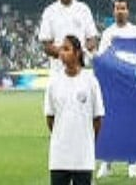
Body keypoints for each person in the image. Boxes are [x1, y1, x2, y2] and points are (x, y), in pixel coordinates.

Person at [44, 34, 105, 185]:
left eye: (66, 49)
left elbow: (97, 118)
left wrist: (87, 140)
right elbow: (50, 118)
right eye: (61, 49)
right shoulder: (54, 82)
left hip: (83, 157)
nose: (61, 53)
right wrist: (62, 136)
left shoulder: (90, 81)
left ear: (77, 53)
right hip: (59, 157)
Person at [96, 0, 136, 179]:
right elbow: (102, 58)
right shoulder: (108, 33)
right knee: (110, 123)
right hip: (113, 85)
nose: (120, 11)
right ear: (113, 11)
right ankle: (107, 163)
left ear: (128, 11)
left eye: (123, 8)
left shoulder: (135, 32)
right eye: (117, 8)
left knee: (131, 124)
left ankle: (132, 164)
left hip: (131, 84)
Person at [39, 0, 98, 73]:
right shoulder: (49, 11)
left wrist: (78, 53)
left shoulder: (84, 9)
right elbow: (46, 46)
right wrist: (65, 54)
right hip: (58, 72)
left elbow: (92, 40)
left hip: (81, 71)